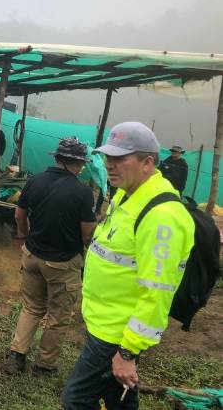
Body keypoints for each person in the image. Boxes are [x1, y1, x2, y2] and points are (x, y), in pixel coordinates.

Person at [62, 122, 195, 409]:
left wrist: (127, 352)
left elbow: (156, 293)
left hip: (116, 334)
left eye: (120, 158)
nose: (110, 165)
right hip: (102, 321)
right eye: (109, 157)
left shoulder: (162, 216)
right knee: (117, 399)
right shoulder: (126, 193)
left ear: (148, 162)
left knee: (75, 400)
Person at [4, 137, 96, 376]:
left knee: (32, 308)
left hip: (32, 255)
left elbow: (19, 214)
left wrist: (24, 235)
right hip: (62, 263)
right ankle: (44, 365)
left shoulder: (35, 181)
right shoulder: (83, 192)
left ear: (56, 158)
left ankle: (17, 356)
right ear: (77, 164)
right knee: (57, 316)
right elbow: (87, 233)